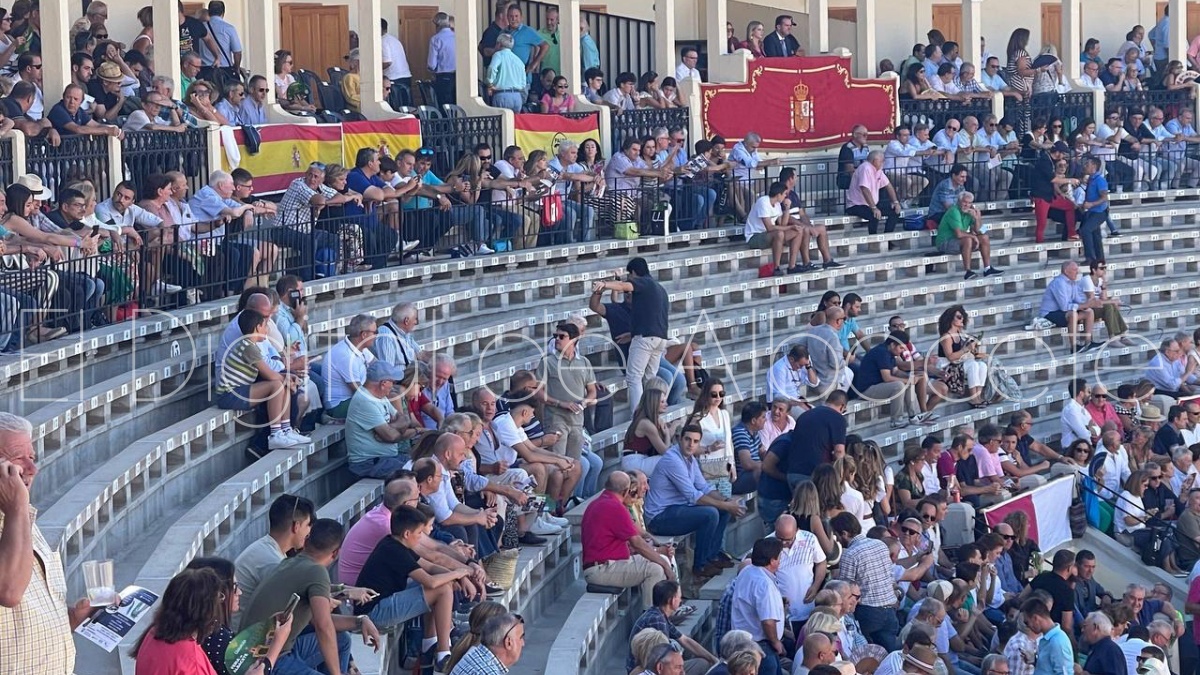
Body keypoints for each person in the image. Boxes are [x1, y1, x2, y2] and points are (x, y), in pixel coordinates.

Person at [0, 413, 97, 673]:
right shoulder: (17, 511)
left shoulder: (21, 516)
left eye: (32, 458)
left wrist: (69, 618)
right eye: (18, 459)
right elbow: (8, 592)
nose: (33, 469)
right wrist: (17, 507)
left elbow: (22, 614)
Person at [237, 519, 381, 675]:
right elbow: (323, 626)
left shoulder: (289, 563)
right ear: (336, 553)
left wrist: (360, 620)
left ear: (306, 540)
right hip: (267, 661)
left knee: (342, 640)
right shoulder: (316, 572)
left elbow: (320, 619)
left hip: (254, 652)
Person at [356, 505, 466, 671]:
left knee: (443, 583)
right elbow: (431, 582)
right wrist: (459, 572)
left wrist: (459, 577)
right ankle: (443, 653)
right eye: (419, 533)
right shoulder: (393, 550)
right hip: (374, 613)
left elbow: (430, 567)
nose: (421, 537)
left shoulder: (396, 543)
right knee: (441, 589)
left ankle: (430, 644)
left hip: (381, 604)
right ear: (407, 534)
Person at [644, 424, 745, 580]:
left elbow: (703, 487)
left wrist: (726, 501)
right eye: (687, 439)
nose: (691, 444)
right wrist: (726, 504)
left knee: (722, 510)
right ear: (679, 439)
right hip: (659, 517)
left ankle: (712, 556)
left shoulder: (690, 459)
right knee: (710, 513)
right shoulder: (673, 459)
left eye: (695, 441)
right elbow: (693, 496)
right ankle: (700, 565)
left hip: (677, 509)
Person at [580, 471, 673, 610]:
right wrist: (665, 566)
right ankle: (651, 621)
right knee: (655, 569)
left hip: (608, 564)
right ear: (626, 491)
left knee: (661, 560)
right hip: (600, 569)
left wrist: (661, 557)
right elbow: (638, 543)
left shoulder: (599, 502)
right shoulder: (615, 507)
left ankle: (667, 611)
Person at [592, 257, 668, 415]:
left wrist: (604, 284)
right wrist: (632, 334)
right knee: (649, 378)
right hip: (660, 339)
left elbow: (622, 286)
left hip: (645, 339)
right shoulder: (659, 288)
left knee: (633, 378)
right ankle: (652, 413)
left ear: (634, 272)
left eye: (629, 274)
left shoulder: (643, 282)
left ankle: (638, 417)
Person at [232, 494, 315, 624]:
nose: (309, 532)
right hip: (244, 638)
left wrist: (342, 590)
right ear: (296, 526)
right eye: (308, 525)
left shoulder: (268, 549)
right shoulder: (272, 561)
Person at [830, 511, 900, 651]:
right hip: (891, 610)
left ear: (844, 533)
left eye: (836, 535)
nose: (836, 539)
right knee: (892, 654)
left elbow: (845, 591)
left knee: (869, 658)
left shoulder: (850, 554)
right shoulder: (880, 545)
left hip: (869, 613)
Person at [346, 361, 422, 478]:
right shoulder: (365, 400)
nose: (393, 385)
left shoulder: (380, 397)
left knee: (425, 463)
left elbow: (404, 419)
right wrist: (396, 430)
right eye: (392, 382)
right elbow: (392, 437)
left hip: (385, 459)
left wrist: (390, 427)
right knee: (419, 473)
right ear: (383, 383)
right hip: (368, 463)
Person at [626, 580, 718, 674]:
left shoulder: (660, 614)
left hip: (657, 666)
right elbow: (664, 657)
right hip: (643, 670)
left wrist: (714, 659)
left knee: (702, 663)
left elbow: (685, 640)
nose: (681, 600)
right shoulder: (657, 620)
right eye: (679, 597)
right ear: (672, 600)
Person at [731, 538, 788, 675]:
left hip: (745, 642)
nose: (781, 560)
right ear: (773, 561)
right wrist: (776, 642)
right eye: (779, 557)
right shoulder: (764, 584)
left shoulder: (747, 571)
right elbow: (768, 621)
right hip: (762, 646)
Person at [936, 191, 1002, 279]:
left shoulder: (970, 211)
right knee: (968, 239)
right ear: (959, 202)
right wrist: (973, 236)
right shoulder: (954, 211)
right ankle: (968, 271)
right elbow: (959, 234)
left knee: (984, 238)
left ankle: (987, 269)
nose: (967, 205)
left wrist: (977, 218)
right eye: (964, 202)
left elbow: (980, 231)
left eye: (969, 203)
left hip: (959, 241)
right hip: (945, 242)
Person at [1039, 261, 1101, 352]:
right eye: (1075, 270)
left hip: (1064, 312)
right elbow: (1064, 307)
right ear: (1066, 271)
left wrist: (1089, 303)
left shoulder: (1073, 282)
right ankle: (1074, 346)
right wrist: (1084, 305)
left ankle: (1088, 342)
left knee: (1089, 311)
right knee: (1073, 314)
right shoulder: (1059, 283)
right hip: (1050, 313)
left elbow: (1078, 300)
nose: (1078, 272)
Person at [746, 180, 803, 276]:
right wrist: (791, 226)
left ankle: (792, 266)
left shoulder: (777, 205)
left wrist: (787, 208)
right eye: (784, 194)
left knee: (798, 231)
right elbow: (770, 228)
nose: (785, 196)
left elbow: (782, 224)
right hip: (755, 236)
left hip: (770, 235)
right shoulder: (763, 202)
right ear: (778, 194)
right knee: (779, 233)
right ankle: (776, 267)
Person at [447, 612, 526, 675]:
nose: (523, 643)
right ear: (508, 642)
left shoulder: (476, 654)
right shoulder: (487, 672)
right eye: (521, 637)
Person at [845, 151, 901, 235]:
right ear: (875, 161)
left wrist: (896, 202)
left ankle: (887, 238)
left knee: (895, 212)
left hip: (870, 204)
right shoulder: (865, 168)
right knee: (874, 215)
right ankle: (873, 239)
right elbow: (864, 189)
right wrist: (874, 207)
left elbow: (888, 185)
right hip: (856, 205)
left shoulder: (878, 170)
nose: (883, 163)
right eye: (882, 161)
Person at [1023, 599, 1072, 675]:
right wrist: (1035, 661)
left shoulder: (1057, 642)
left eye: (1027, 622)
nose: (1027, 627)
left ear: (1035, 618)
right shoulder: (1048, 639)